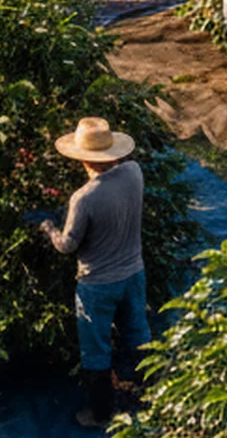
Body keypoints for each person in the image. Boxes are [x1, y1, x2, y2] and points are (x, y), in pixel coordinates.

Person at [39, 117, 148, 431]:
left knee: (96, 349)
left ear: (83, 158)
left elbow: (68, 246)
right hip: (134, 273)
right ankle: (150, 391)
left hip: (97, 285)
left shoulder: (84, 197)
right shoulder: (134, 173)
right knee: (138, 331)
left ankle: (100, 413)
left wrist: (48, 229)